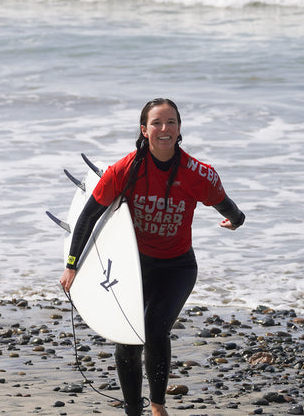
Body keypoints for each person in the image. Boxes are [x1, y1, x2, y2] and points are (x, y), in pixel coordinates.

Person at [59, 98, 245, 416]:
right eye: (157, 123)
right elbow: (88, 216)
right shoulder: (126, 170)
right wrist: (72, 266)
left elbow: (227, 205)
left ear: (179, 129)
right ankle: (133, 409)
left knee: (155, 330)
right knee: (127, 334)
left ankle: (157, 406)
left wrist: (236, 220)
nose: (164, 129)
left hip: (178, 266)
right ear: (144, 130)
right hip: (135, 264)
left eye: (171, 122)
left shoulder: (197, 173)